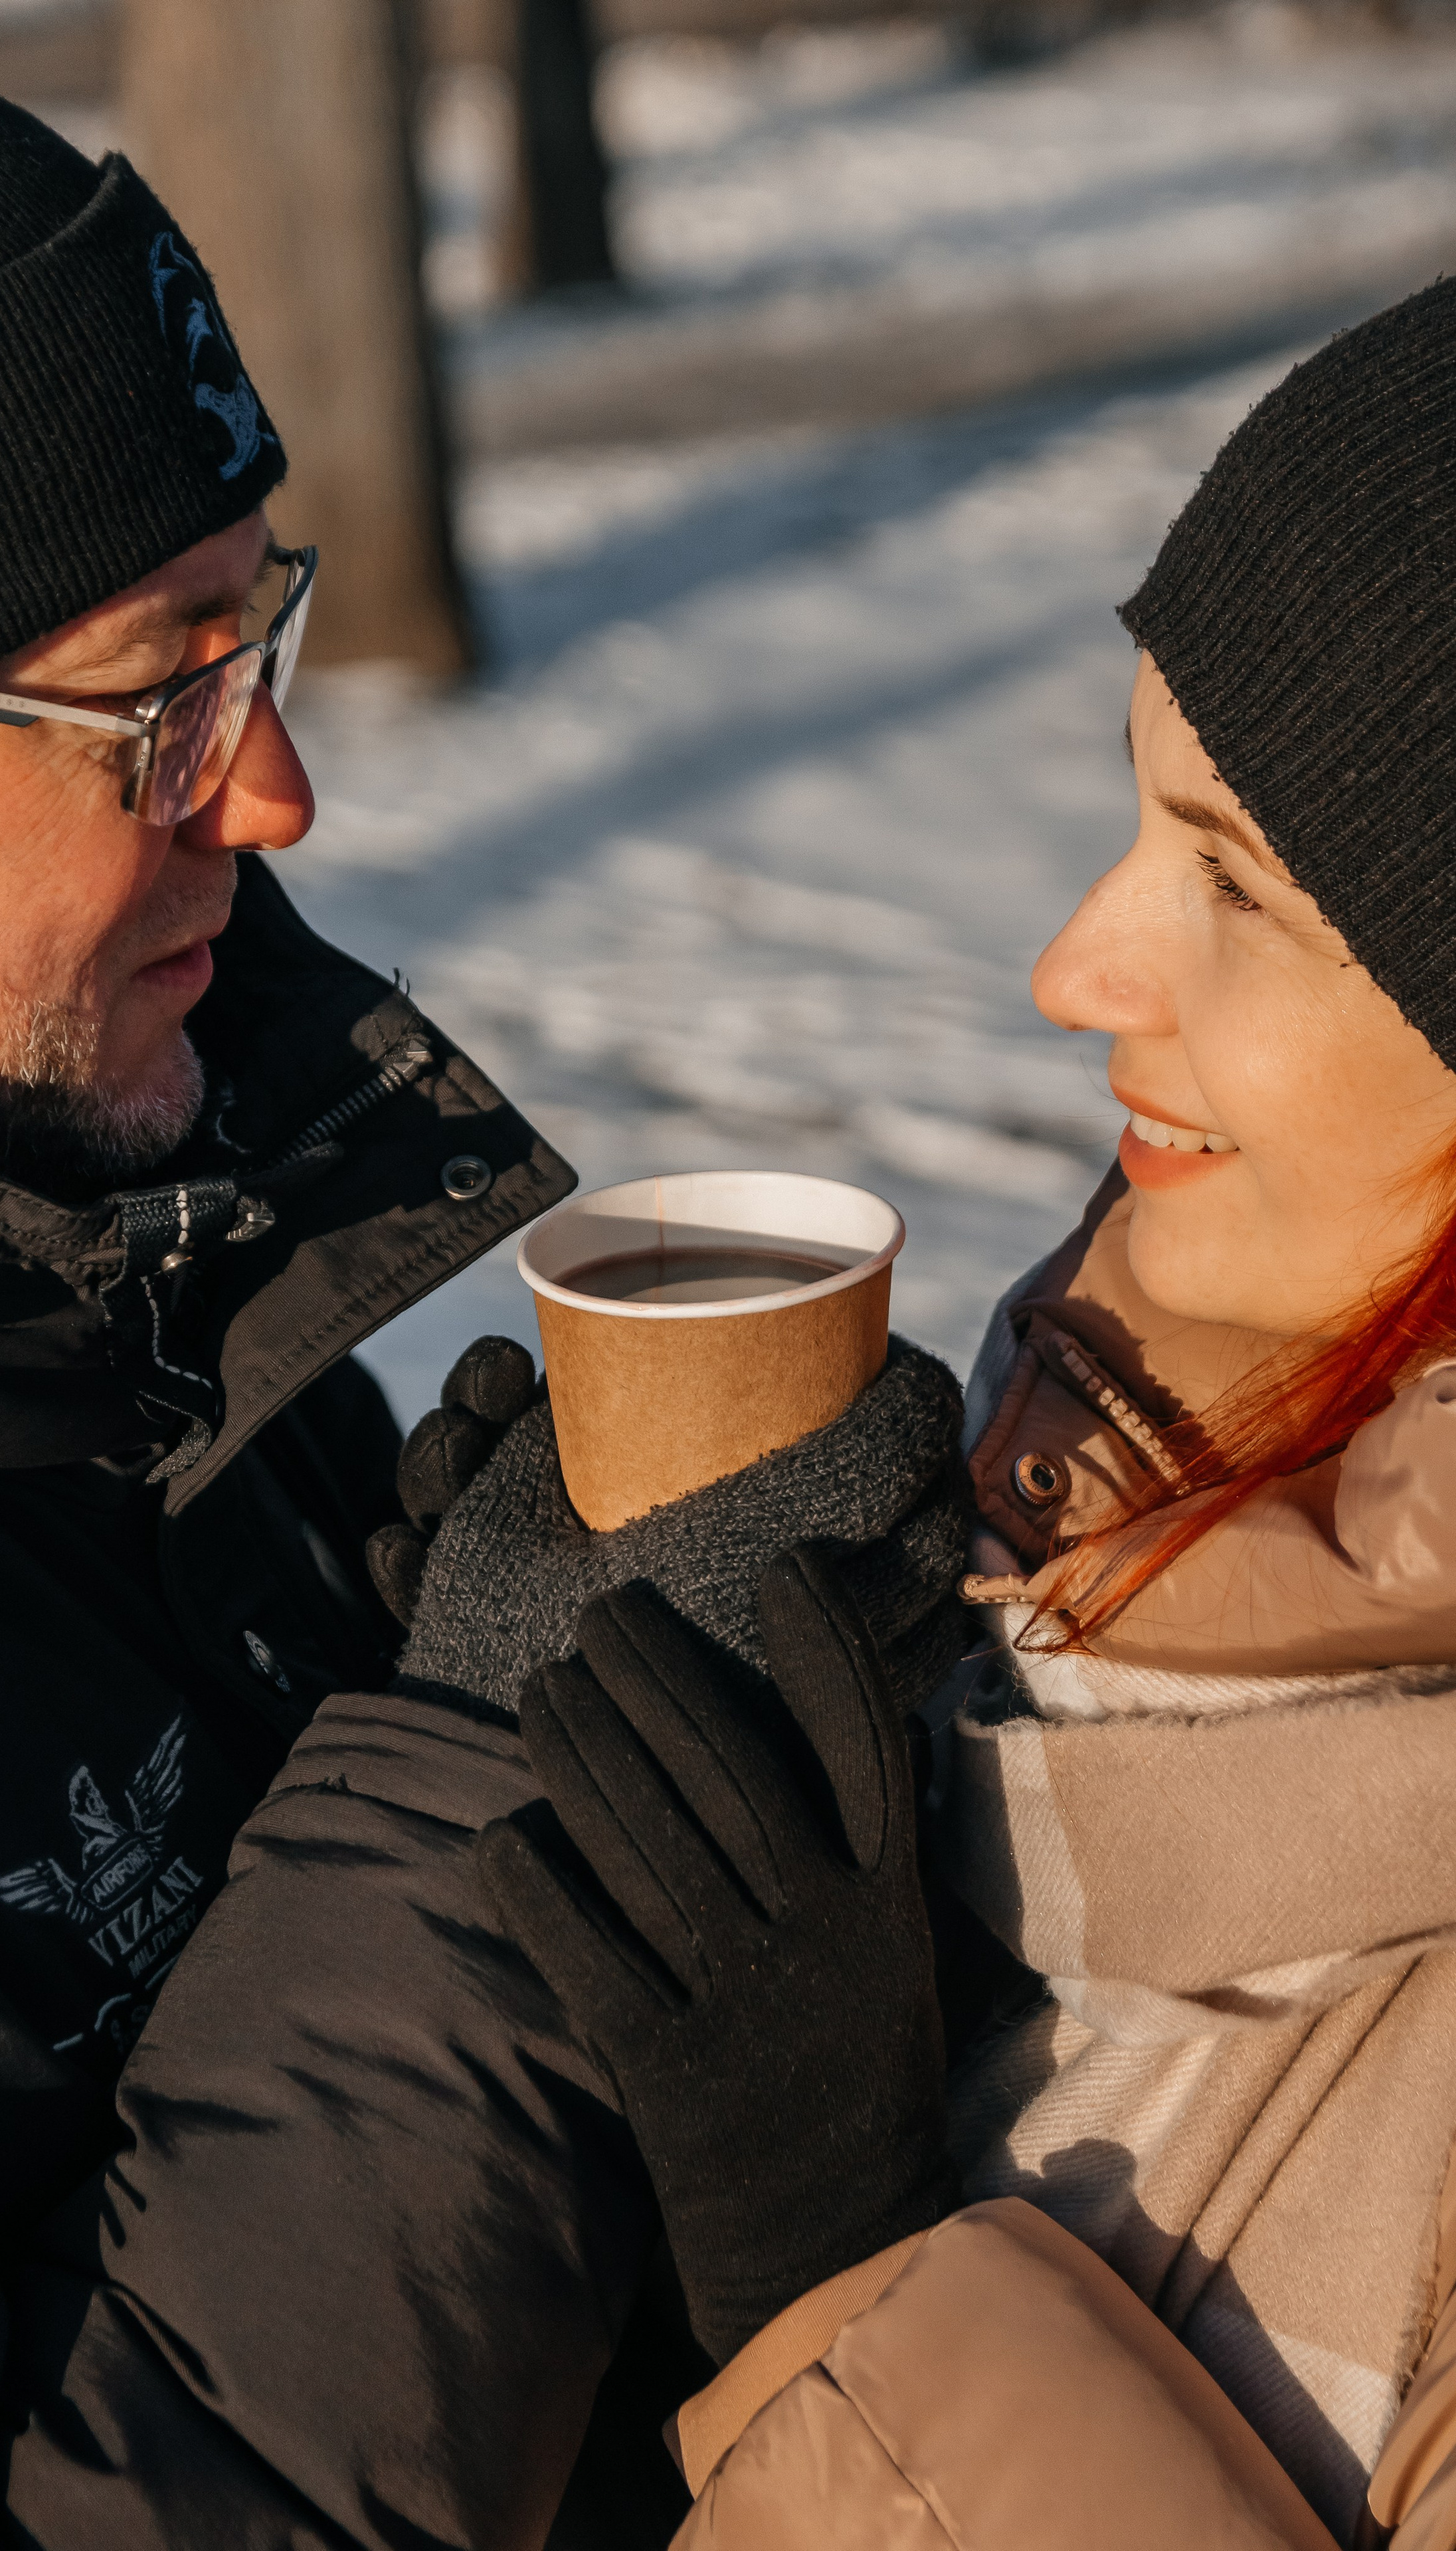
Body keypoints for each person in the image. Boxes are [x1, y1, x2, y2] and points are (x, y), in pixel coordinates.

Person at [0, 8, 974, 2543]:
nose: (282, 786)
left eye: (258, 626)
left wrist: (744, 2133)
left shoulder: (98, 1233)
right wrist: (449, 1850)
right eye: (151, 697)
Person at [479, 275, 1456, 2551]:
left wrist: (850, 2272)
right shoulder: (1101, 1564)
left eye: (1236, 880)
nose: (1075, 969)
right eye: (1140, 822)